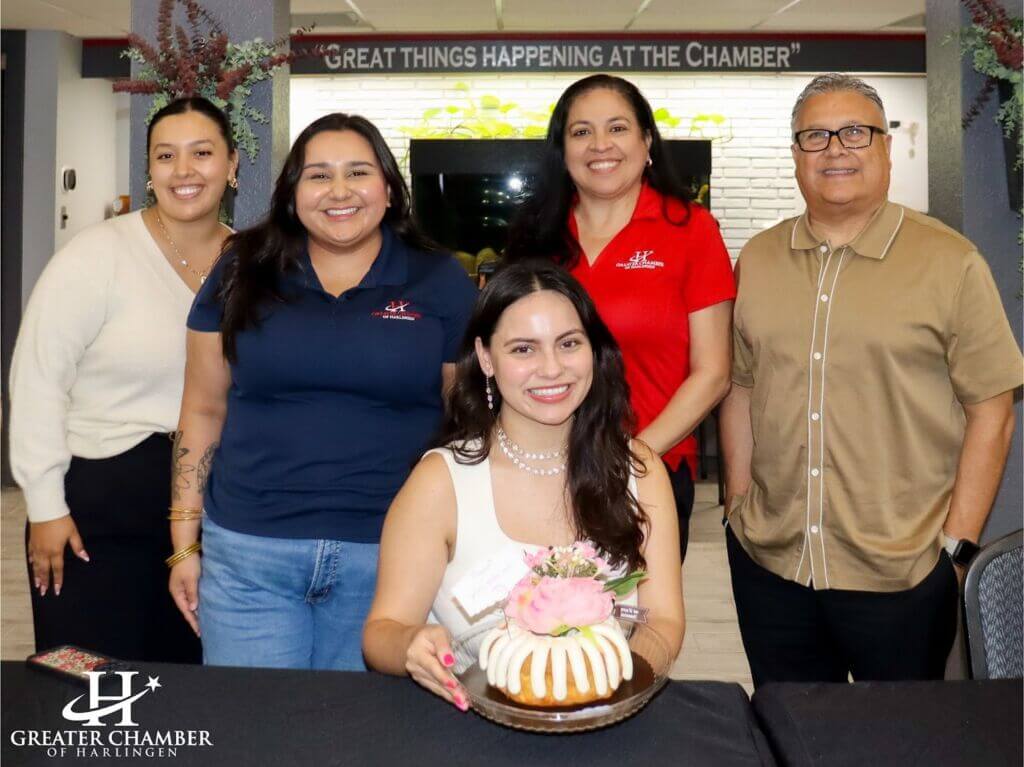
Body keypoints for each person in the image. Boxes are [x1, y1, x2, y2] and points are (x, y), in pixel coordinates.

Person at [719, 73, 1022, 688]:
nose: (835, 149)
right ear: (796, 155)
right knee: (794, 734)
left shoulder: (951, 263)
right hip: (772, 566)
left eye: (855, 132)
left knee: (898, 743)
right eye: (815, 136)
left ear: (888, 147)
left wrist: (956, 551)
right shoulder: (757, 259)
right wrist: (736, 500)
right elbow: (741, 387)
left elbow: (993, 411)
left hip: (904, 576)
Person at [169, 113, 478, 671]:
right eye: (318, 175)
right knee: (255, 736)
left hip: (390, 560)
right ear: (292, 194)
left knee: (359, 743)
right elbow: (202, 407)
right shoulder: (241, 269)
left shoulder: (440, 280)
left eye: (358, 172)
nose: (339, 191)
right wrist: (184, 542)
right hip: (249, 555)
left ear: (388, 186)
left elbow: (466, 423)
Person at [362, 260, 684, 710]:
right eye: (523, 350)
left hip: (610, 718)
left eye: (568, 343)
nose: (552, 369)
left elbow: (657, 616)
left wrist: (614, 679)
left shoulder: (638, 470)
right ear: (487, 358)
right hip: (471, 725)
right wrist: (410, 643)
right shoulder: (442, 482)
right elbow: (383, 632)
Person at [10, 96, 238, 662]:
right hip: (93, 520)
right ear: (151, 171)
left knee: (186, 694)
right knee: (92, 696)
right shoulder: (97, 255)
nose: (184, 171)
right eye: (166, 156)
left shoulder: (253, 263)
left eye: (202, 153)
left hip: (211, 517)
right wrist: (44, 507)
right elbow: (38, 380)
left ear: (233, 165)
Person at [505, 74, 734, 562]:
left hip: (647, 472)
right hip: (535, 468)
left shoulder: (691, 230)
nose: (600, 145)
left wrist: (629, 459)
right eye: (581, 131)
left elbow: (713, 372)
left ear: (647, 141)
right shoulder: (535, 238)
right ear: (562, 150)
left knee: (632, 632)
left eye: (617, 128)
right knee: (534, 625)